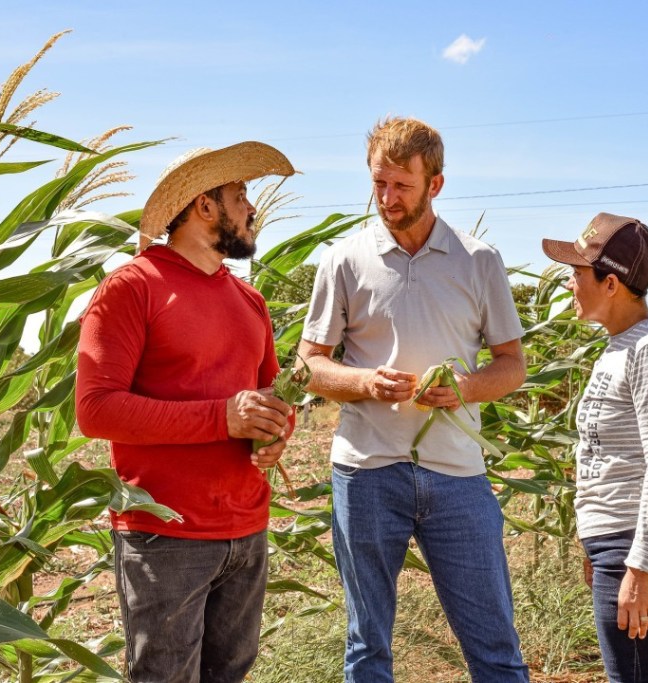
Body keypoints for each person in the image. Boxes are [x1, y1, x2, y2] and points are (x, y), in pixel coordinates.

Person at [299, 116, 530, 682]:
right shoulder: (344, 259)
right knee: (367, 644)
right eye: (378, 183)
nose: (387, 198)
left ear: (436, 184)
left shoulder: (479, 261)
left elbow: (512, 365)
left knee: (495, 645)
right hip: (366, 473)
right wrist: (365, 384)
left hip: (458, 475)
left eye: (402, 185)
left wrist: (463, 390)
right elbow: (308, 365)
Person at [75, 142, 297, 683]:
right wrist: (222, 419)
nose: (252, 208)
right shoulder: (132, 287)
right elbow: (95, 409)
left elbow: (270, 396)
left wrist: (276, 429)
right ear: (204, 205)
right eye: (240, 195)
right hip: (166, 536)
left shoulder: (250, 300)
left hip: (246, 529)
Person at [542, 213, 648, 683]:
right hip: (619, 542)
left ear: (610, 283)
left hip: (638, 544)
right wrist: (593, 541)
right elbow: (604, 457)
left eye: (577, 273)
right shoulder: (621, 346)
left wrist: (640, 567)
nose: (569, 284)